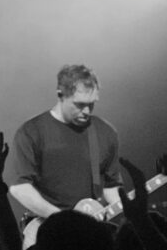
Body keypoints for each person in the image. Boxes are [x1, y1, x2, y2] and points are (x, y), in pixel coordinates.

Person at [9, 64, 122, 222]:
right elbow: (20, 188)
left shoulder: (105, 132)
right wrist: (63, 219)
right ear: (60, 95)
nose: (87, 111)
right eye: (80, 105)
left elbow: (111, 186)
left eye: (92, 104)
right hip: (46, 227)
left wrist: (128, 206)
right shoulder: (31, 132)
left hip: (89, 228)